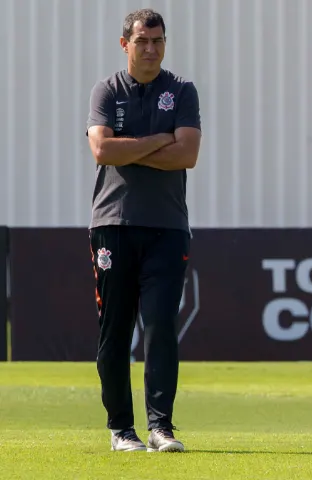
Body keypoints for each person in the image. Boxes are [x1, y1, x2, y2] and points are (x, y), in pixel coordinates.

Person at [85, 8, 202, 453]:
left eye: (158, 41)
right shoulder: (107, 90)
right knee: (115, 330)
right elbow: (101, 150)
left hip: (168, 228)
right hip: (112, 225)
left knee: (159, 326)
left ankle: (161, 428)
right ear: (125, 44)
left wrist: (128, 146)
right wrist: (159, 139)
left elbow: (186, 155)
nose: (150, 49)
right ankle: (121, 430)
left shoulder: (182, 91)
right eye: (142, 41)